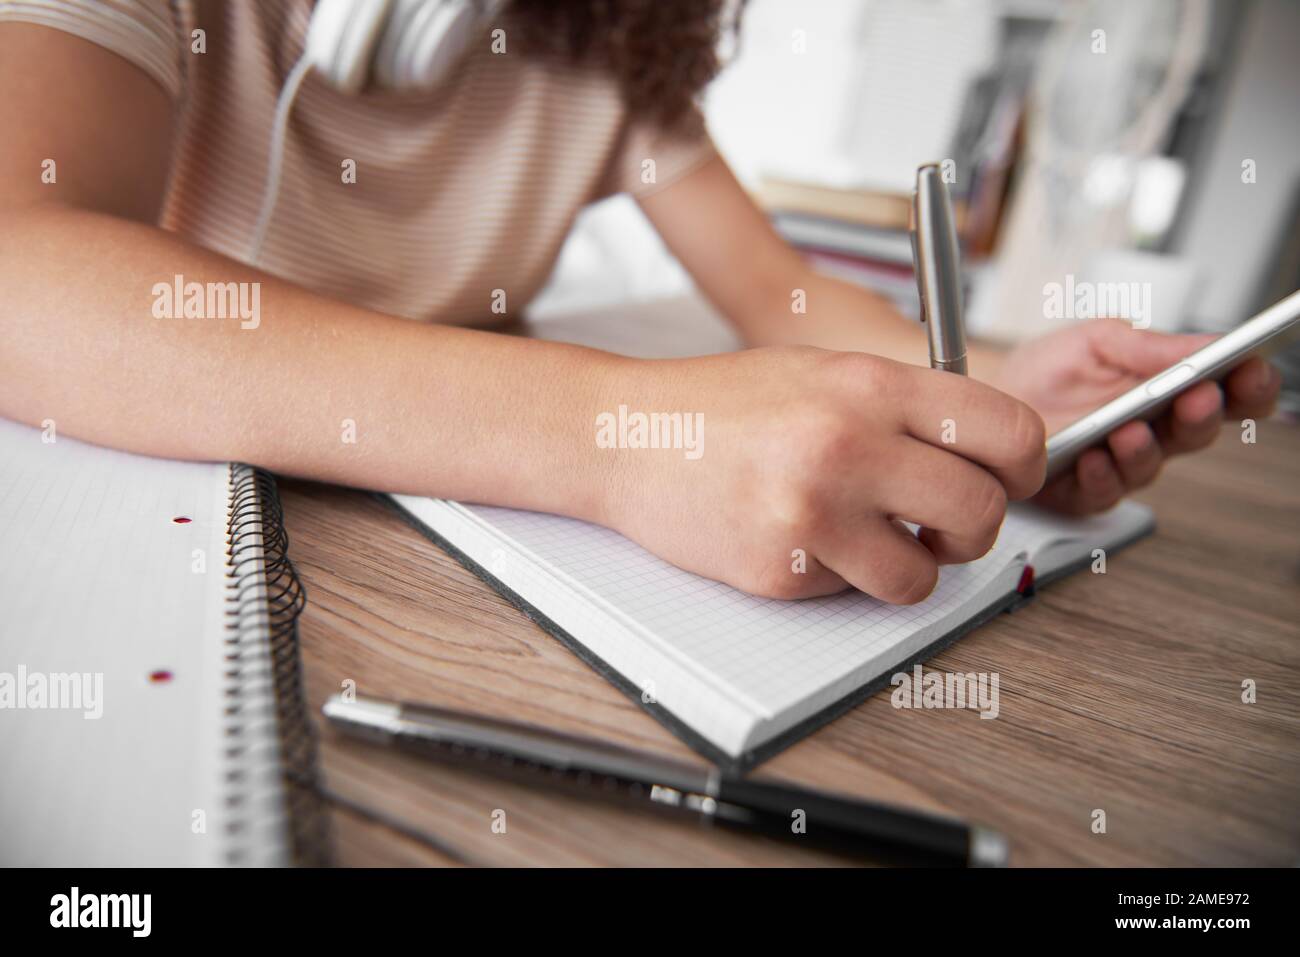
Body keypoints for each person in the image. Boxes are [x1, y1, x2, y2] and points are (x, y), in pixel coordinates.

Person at [0, 0, 1279, 603]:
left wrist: (990, 385)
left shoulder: (602, 52)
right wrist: (622, 438)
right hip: (175, 545)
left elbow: (780, 293)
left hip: (434, 556)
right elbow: (22, 265)